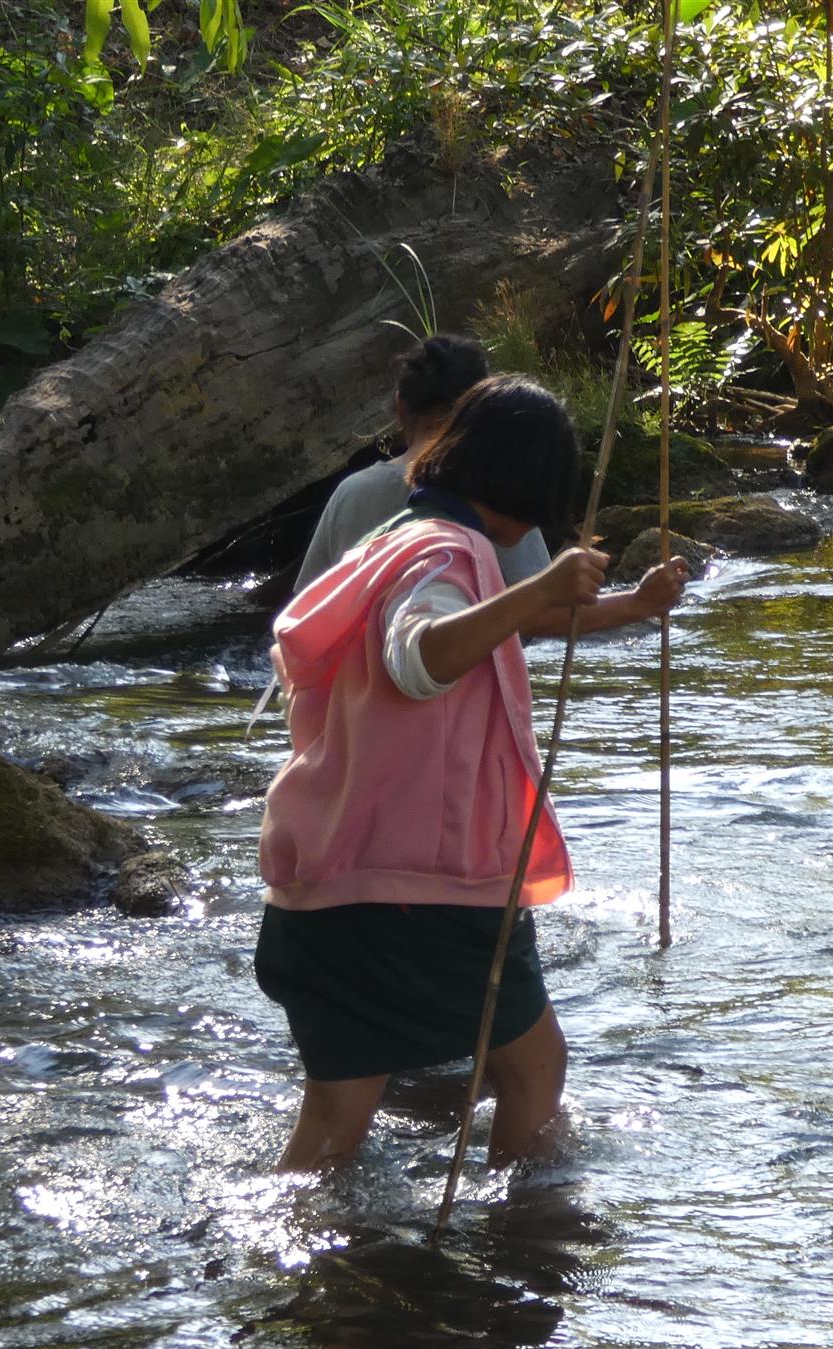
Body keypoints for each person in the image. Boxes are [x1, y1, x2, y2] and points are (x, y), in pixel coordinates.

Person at [255, 375, 689, 1172]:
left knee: (333, 1120)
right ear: (535, 483)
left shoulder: (400, 537)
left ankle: (298, 1275)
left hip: (326, 889)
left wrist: (630, 603)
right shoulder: (445, 555)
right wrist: (543, 582)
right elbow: (420, 655)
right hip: (416, 894)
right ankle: (521, 1246)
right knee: (533, 1067)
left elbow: (510, 620)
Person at [295, 334, 684, 636]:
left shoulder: (352, 493)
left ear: (400, 406)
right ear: (483, 415)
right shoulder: (491, 498)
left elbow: (304, 610)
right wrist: (634, 604)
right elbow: (532, 615)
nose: (532, 524)